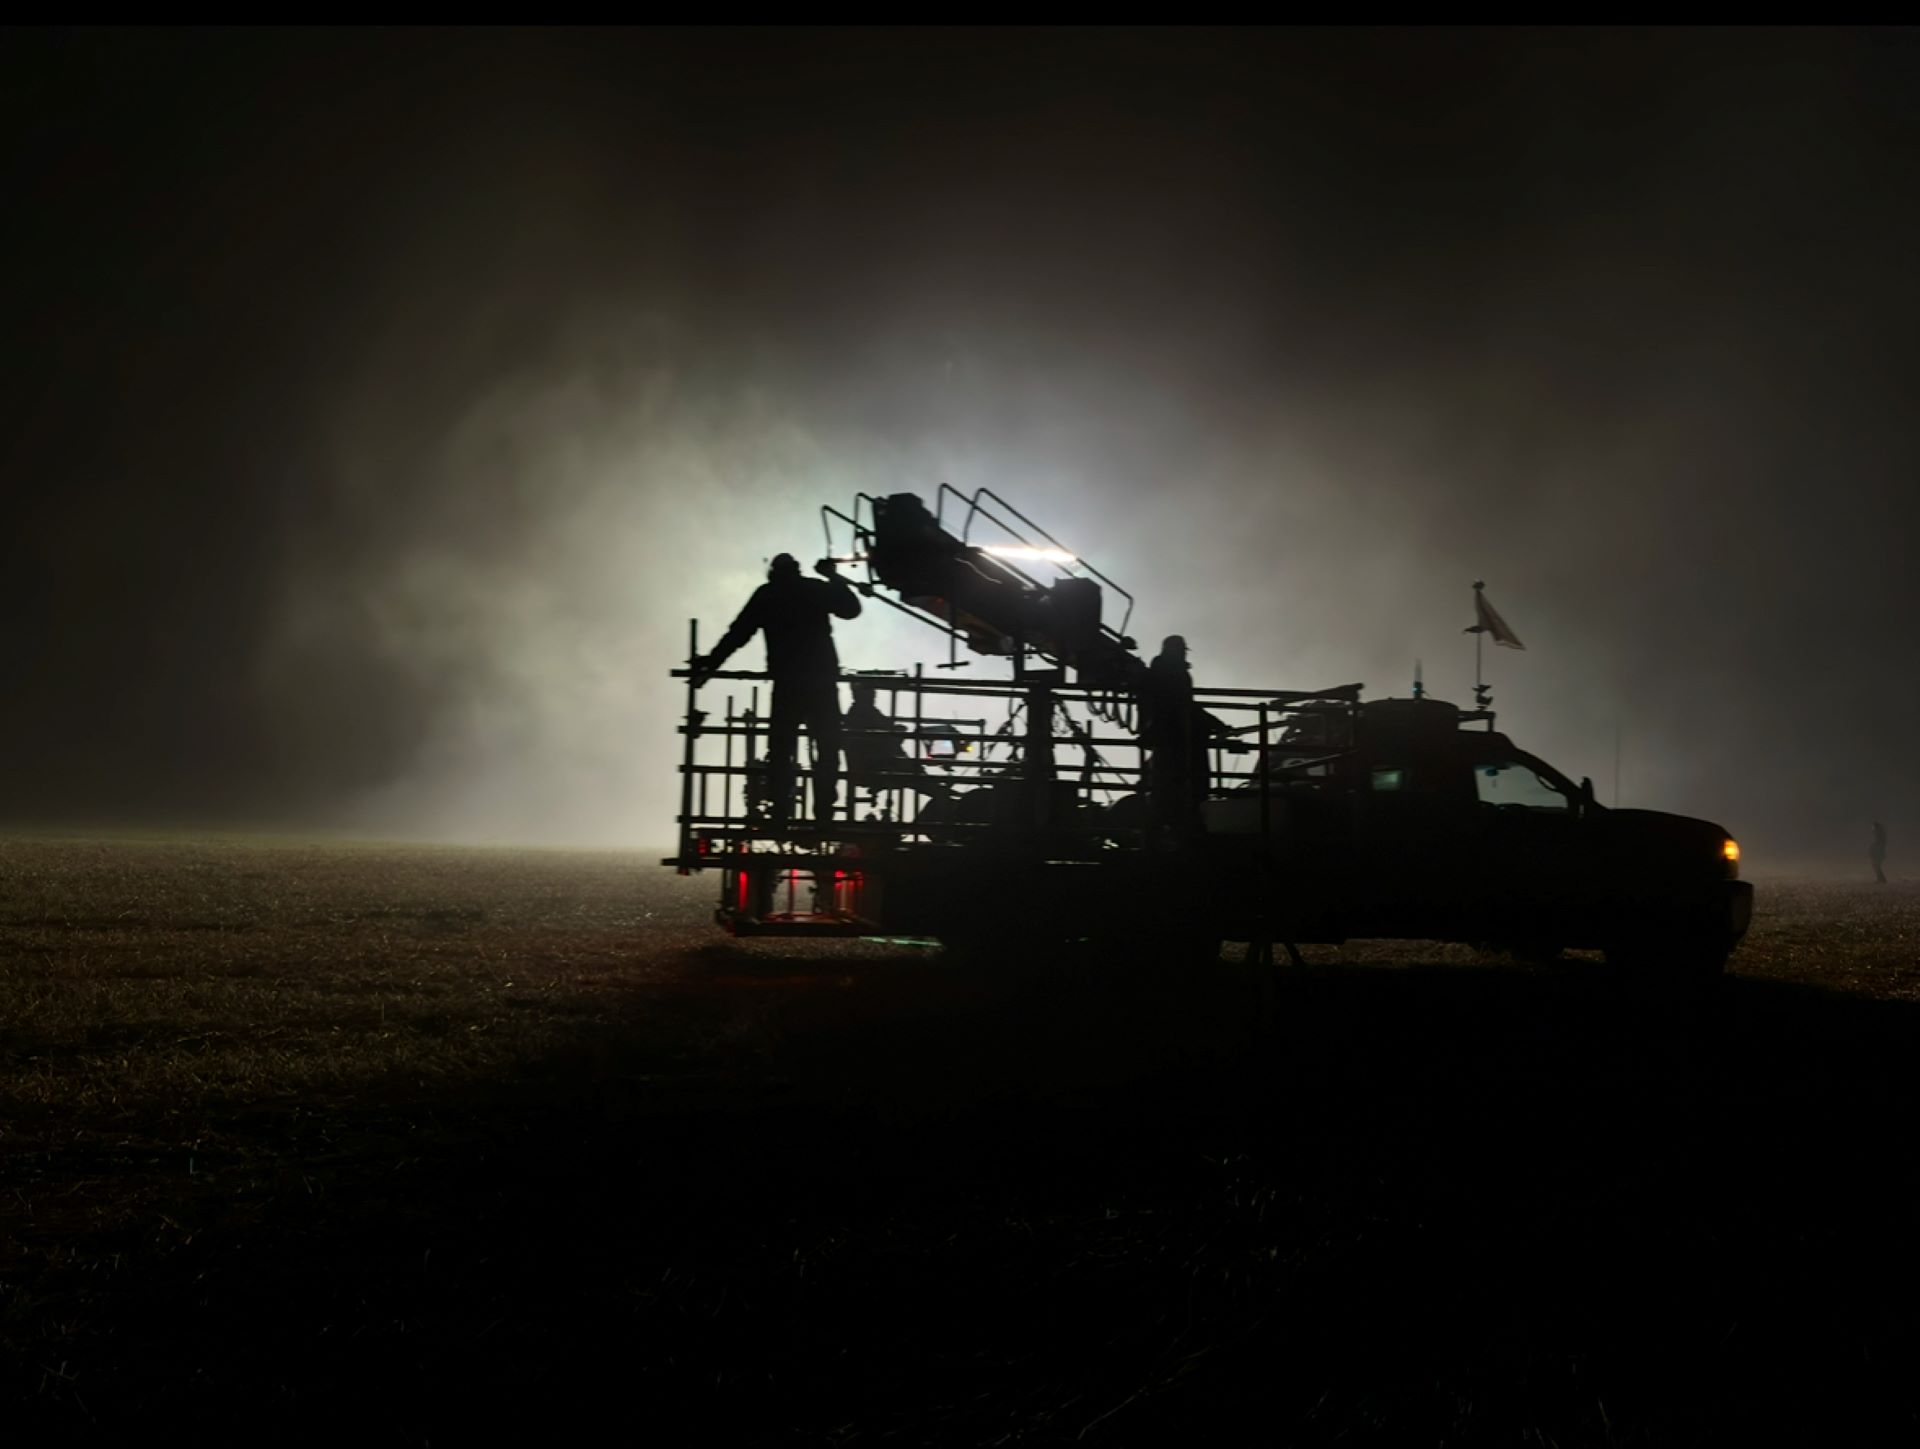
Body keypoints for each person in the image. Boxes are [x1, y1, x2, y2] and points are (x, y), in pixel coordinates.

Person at [692, 554, 860, 829]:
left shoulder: (768, 595)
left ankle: (781, 811)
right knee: (828, 748)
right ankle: (824, 813)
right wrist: (834, 577)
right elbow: (851, 610)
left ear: (774, 573)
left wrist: (710, 664)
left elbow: (738, 634)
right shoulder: (814, 589)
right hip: (820, 682)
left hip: (788, 683)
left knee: (781, 749)